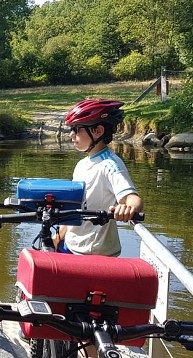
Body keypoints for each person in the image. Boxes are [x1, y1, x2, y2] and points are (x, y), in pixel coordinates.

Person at [57, 99, 144, 256]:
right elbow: (75, 208)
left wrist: (128, 209)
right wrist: (57, 238)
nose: (71, 134)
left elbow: (133, 199)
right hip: (71, 245)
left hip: (92, 253)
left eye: (77, 129)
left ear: (98, 131)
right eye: (71, 129)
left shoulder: (110, 164)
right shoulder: (82, 165)